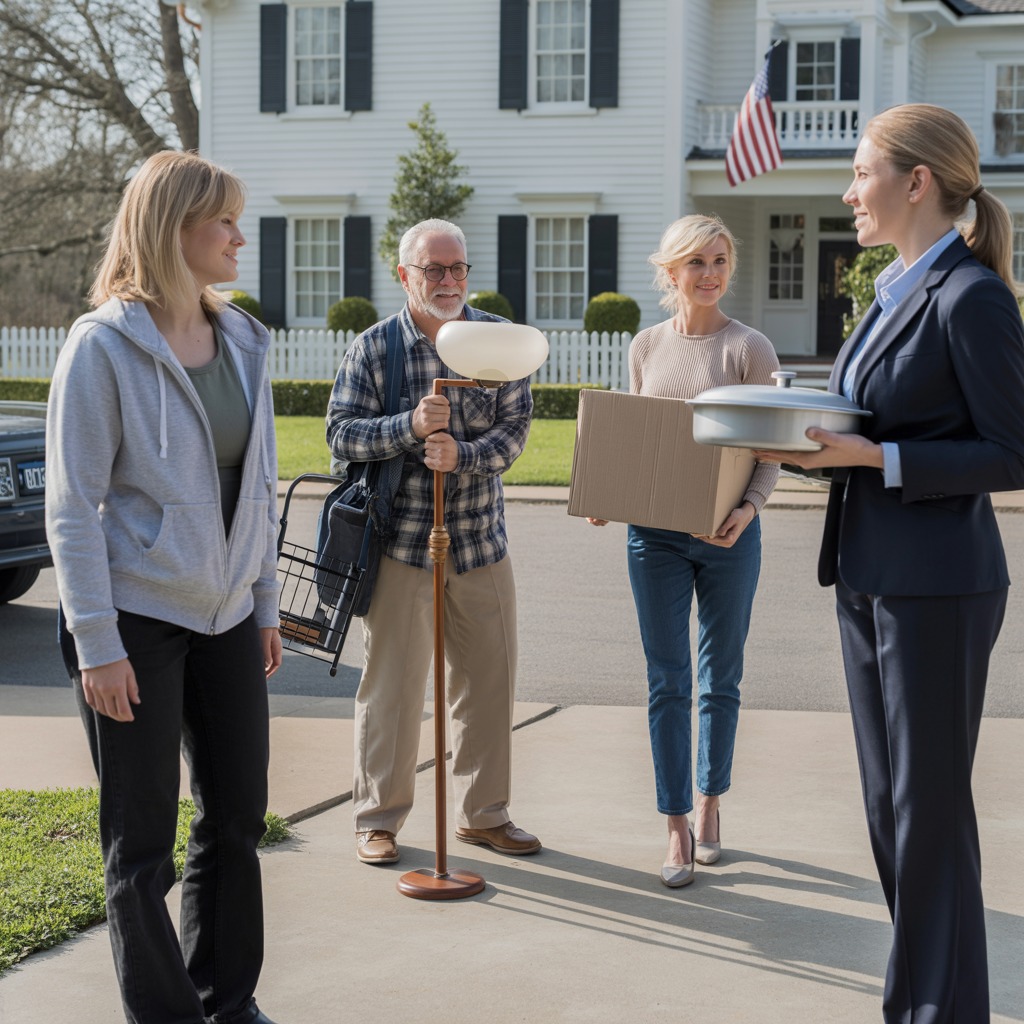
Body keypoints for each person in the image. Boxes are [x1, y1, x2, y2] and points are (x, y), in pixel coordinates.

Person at [755, 104, 1024, 1023]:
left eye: (860, 172)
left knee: (929, 814)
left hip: (941, 584)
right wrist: (810, 441)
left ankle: (934, 1014)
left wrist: (877, 460)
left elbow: (1013, 452)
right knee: (891, 811)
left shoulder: (972, 296)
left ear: (917, 182)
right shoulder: (891, 291)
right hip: (868, 574)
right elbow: (866, 416)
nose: (848, 190)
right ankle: (930, 1006)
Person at [45, 151, 283, 1024]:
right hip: (134, 620)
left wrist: (261, 604)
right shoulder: (102, 345)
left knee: (236, 822)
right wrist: (97, 644)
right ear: (172, 227)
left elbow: (255, 486)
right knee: (139, 844)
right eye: (221, 220)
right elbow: (73, 507)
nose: (236, 234)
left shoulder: (248, 340)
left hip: (226, 617)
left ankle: (228, 998)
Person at [326, 218, 541, 865]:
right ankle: (378, 818)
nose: (447, 281)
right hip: (400, 545)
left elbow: (514, 433)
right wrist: (407, 427)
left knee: (488, 682)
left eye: (457, 269)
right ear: (405, 276)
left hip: (479, 541)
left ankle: (484, 814)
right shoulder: (376, 349)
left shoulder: (499, 343)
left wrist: (464, 455)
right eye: (432, 270)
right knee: (392, 686)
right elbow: (340, 437)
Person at [590, 214, 780, 887]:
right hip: (656, 540)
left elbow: (770, 449)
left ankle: (711, 802)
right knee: (667, 680)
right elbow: (645, 446)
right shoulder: (646, 346)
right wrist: (609, 495)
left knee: (718, 679)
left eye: (720, 259)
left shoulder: (750, 349)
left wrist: (748, 509)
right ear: (670, 273)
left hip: (731, 536)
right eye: (696, 262)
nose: (710, 274)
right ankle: (674, 826)